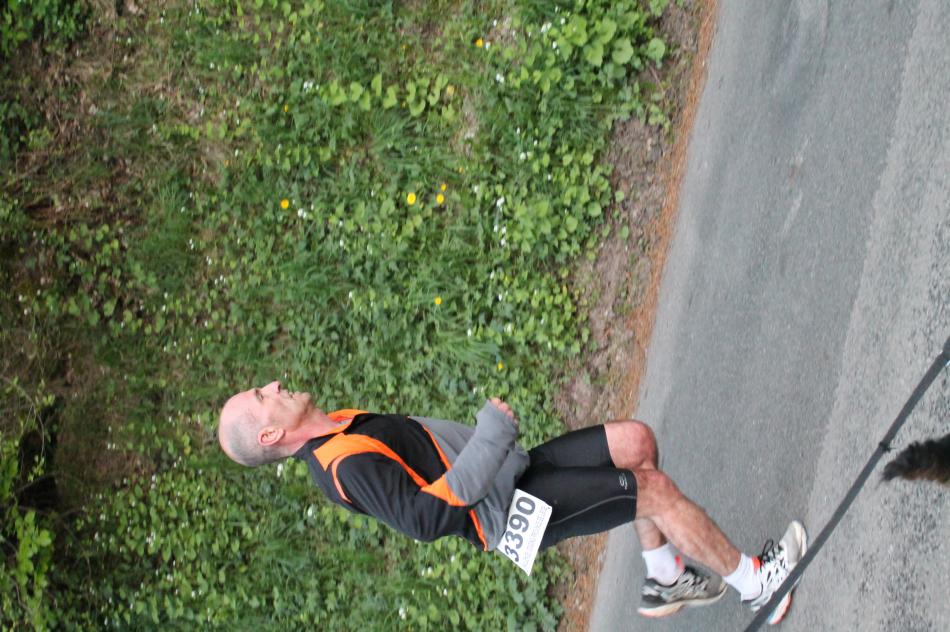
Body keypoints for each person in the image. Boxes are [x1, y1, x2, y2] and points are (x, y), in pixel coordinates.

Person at [218, 381, 806, 623]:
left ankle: (665, 576)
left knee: (636, 443)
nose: (274, 386)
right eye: (263, 396)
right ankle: (758, 584)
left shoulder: (338, 429)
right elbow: (425, 518)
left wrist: (495, 448)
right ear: (270, 434)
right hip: (512, 511)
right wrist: (490, 435)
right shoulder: (344, 465)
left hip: (513, 473)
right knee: (655, 493)